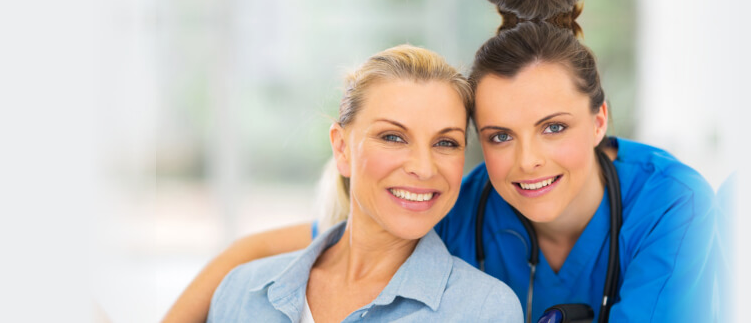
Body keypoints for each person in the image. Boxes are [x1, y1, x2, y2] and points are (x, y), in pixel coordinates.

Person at [166, 0, 725, 321]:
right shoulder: (460, 202)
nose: (528, 161)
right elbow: (286, 247)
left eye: (554, 127)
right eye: (501, 136)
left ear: (600, 121)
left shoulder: (671, 205)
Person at [205, 45, 522, 323]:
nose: (424, 168)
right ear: (342, 148)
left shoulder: (483, 309)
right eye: (393, 137)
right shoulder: (240, 293)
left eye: (446, 142)